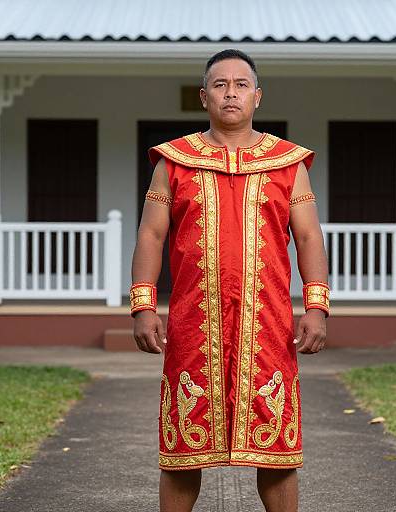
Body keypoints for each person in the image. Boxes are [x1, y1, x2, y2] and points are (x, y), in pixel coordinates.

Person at [130, 49, 329, 512]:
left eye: (241, 85)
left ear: (257, 97)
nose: (231, 93)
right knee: (182, 454)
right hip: (192, 325)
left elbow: (308, 236)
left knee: (277, 453)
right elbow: (151, 234)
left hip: (268, 325)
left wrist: (316, 306)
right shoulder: (174, 161)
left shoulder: (287, 162)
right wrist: (143, 305)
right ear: (204, 97)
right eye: (220, 85)